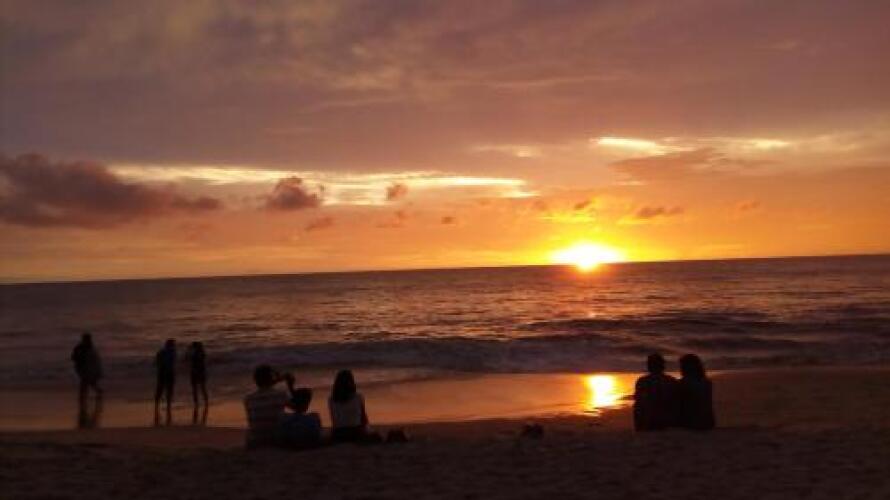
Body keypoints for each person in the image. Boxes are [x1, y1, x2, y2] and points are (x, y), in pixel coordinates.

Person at [244, 365, 321, 448]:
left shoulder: (248, 398)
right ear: (272, 377)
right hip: (276, 439)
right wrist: (290, 386)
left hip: (256, 439)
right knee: (314, 416)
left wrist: (274, 381)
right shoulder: (280, 395)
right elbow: (301, 409)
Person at [633, 353, 678, 431]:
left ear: (649, 366)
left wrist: (638, 426)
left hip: (651, 423)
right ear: (663, 366)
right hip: (668, 423)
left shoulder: (642, 381)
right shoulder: (672, 381)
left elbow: (638, 406)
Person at [328, 369, 373, 443]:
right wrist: (367, 431)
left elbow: (334, 419)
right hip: (355, 432)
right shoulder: (358, 397)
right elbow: (364, 419)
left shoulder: (331, 400)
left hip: (338, 433)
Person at [71, 332, 103, 428]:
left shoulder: (88, 349)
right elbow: (75, 357)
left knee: (85, 384)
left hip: (87, 370)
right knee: (89, 383)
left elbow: (83, 359)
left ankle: (84, 399)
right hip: (87, 370)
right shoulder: (85, 348)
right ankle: (96, 393)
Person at [677, 354, 716, 430]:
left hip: (691, 422)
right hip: (708, 421)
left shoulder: (684, 383)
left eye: (682, 366)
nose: (681, 369)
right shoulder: (706, 382)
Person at [154, 339, 177, 426]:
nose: (174, 346)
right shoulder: (172, 353)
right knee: (168, 391)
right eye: (173, 344)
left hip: (163, 373)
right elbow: (172, 363)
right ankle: (167, 406)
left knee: (161, 390)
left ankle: (157, 406)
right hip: (168, 373)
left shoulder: (162, 352)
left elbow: (157, 362)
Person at [186, 341, 208, 424]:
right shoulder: (201, 353)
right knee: (201, 388)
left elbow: (187, 359)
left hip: (196, 373)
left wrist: (189, 350)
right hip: (200, 373)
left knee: (197, 389)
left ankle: (197, 403)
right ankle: (204, 402)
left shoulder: (196, 354)